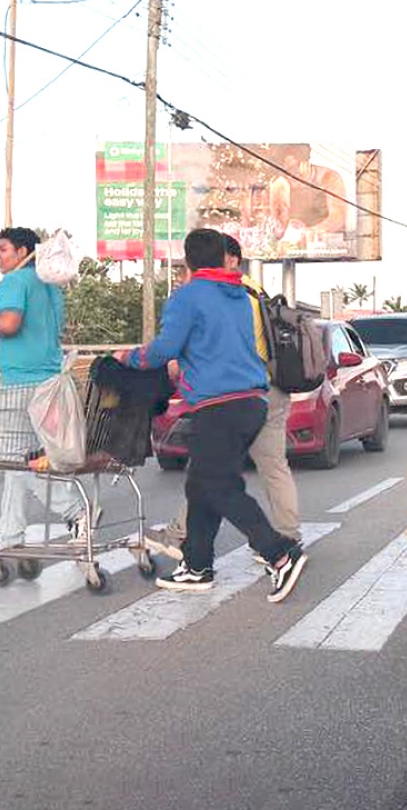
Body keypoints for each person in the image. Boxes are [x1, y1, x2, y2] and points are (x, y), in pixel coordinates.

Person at [115, 228, 307, 601]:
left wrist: (130, 358)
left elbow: (166, 348)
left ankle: (279, 552)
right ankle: (197, 566)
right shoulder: (238, 294)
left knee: (218, 486)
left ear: (188, 260)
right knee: (202, 484)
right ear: (224, 258)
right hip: (252, 400)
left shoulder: (188, 297)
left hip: (218, 405)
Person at [0, 227, 86, 548]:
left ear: (21, 252)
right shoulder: (50, 286)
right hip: (50, 383)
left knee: (15, 461)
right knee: (33, 460)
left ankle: (70, 512)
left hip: (20, 384)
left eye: (2, 249)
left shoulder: (14, 282)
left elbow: (9, 324)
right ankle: (14, 532)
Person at [268, 151, 349, 237]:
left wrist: (309, 232)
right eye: (286, 171)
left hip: (330, 240)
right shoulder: (281, 182)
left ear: (306, 163)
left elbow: (338, 217)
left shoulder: (329, 177)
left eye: (294, 169)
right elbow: (279, 222)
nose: (290, 176)